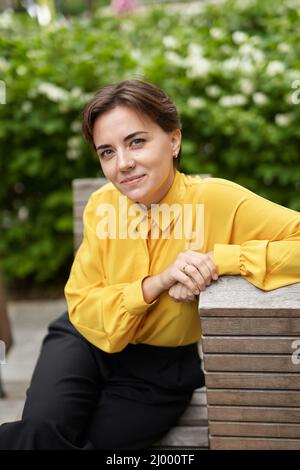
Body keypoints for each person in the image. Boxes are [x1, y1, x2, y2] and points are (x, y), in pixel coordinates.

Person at [0, 78, 299, 450]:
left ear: (173, 140)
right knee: (42, 429)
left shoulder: (217, 201)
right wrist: (156, 283)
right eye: (106, 152)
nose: (123, 164)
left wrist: (220, 259)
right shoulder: (102, 205)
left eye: (136, 142)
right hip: (83, 339)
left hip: (160, 371)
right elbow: (83, 300)